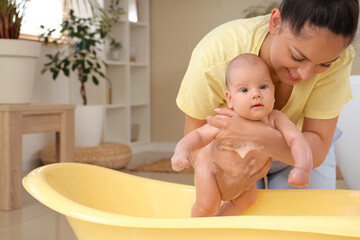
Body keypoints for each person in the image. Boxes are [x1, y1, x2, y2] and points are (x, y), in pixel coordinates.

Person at [176, 0, 359, 198]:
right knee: (239, 220)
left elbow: (319, 141)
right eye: (297, 57)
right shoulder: (216, 54)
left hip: (301, 148)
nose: (306, 76)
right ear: (275, 22)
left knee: (306, 222)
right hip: (232, 151)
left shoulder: (338, 57)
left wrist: (259, 136)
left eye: (324, 65)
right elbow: (196, 141)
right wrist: (228, 183)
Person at [172, 54, 313, 217]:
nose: (256, 94)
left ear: (273, 91)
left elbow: (297, 139)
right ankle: (194, 232)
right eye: (244, 90)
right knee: (207, 204)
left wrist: (303, 167)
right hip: (210, 169)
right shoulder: (227, 120)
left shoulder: (276, 119)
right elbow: (198, 136)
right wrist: (181, 151)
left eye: (263, 87)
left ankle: (219, 222)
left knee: (248, 201)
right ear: (230, 99)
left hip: (245, 176)